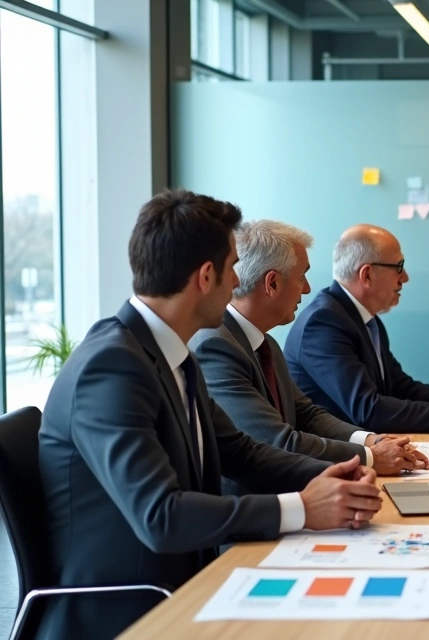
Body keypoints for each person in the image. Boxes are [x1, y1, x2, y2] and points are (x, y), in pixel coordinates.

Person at [37, 190, 384, 640]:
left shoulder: (170, 354)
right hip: (132, 611)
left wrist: (339, 474)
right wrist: (302, 508)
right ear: (206, 276)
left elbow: (240, 452)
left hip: (190, 581)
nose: (239, 281)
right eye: (233, 267)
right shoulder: (111, 368)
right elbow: (162, 517)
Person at [190, 220, 429, 492]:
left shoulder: (264, 342)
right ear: (272, 283)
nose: (306, 289)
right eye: (301, 276)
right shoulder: (215, 346)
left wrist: (370, 440)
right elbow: (279, 441)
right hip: (254, 506)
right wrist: (371, 457)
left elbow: (307, 414)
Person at [284, 224, 429, 433]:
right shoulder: (323, 323)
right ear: (367, 275)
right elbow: (368, 409)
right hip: (333, 458)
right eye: (399, 267)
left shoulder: (364, 319)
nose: (405, 278)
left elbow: (400, 387)